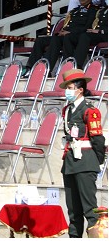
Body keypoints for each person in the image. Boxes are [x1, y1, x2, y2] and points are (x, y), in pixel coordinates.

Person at [58, 69, 105, 238]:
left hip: (85, 162)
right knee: (73, 211)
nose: (67, 91)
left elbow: (98, 139)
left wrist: (96, 161)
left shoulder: (89, 110)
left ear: (80, 90)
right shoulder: (67, 110)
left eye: (70, 88)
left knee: (90, 210)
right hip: (70, 162)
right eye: (67, 88)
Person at [26, 0, 98, 73]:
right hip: (64, 35)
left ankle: (46, 70)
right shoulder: (74, 11)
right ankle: (30, 68)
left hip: (76, 37)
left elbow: (88, 27)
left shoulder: (94, 10)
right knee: (40, 40)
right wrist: (61, 32)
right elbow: (67, 24)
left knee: (56, 40)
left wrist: (69, 32)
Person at [65, 0, 108, 67]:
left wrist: (100, 31)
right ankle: (67, 65)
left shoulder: (96, 10)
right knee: (69, 37)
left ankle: (77, 66)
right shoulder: (102, 10)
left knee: (85, 36)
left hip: (105, 34)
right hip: (98, 34)